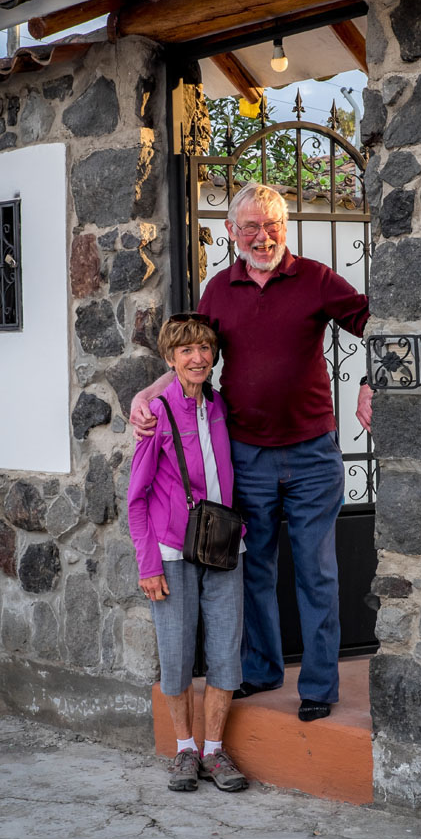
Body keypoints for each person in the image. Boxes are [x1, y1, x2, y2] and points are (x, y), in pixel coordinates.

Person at [131, 183, 373, 723]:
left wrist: (371, 382)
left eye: (272, 226)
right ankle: (261, 669)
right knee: (253, 570)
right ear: (230, 233)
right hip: (246, 457)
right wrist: (149, 393)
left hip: (312, 454)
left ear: (284, 228)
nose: (262, 238)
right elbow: (188, 356)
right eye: (250, 228)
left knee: (317, 573)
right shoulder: (219, 289)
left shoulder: (315, 278)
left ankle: (318, 686)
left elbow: (372, 321)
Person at [127, 314, 248, 793]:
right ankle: (184, 750)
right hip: (171, 553)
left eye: (204, 348)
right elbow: (137, 499)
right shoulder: (155, 413)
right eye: (186, 351)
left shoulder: (220, 407)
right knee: (176, 656)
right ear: (170, 359)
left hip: (222, 548)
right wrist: (148, 563)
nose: (197, 357)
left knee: (225, 653)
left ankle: (214, 753)